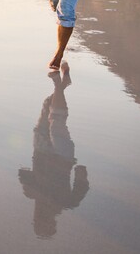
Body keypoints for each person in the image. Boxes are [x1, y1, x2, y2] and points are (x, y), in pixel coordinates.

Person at [18, 62, 89, 238]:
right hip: (61, 156)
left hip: (41, 151)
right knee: (57, 119)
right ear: (53, 222)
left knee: (47, 106)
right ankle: (59, 83)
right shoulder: (68, 202)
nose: (44, 216)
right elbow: (82, 177)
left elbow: (22, 173)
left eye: (40, 220)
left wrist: (31, 187)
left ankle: (63, 85)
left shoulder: (32, 194)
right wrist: (77, 171)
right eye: (47, 223)